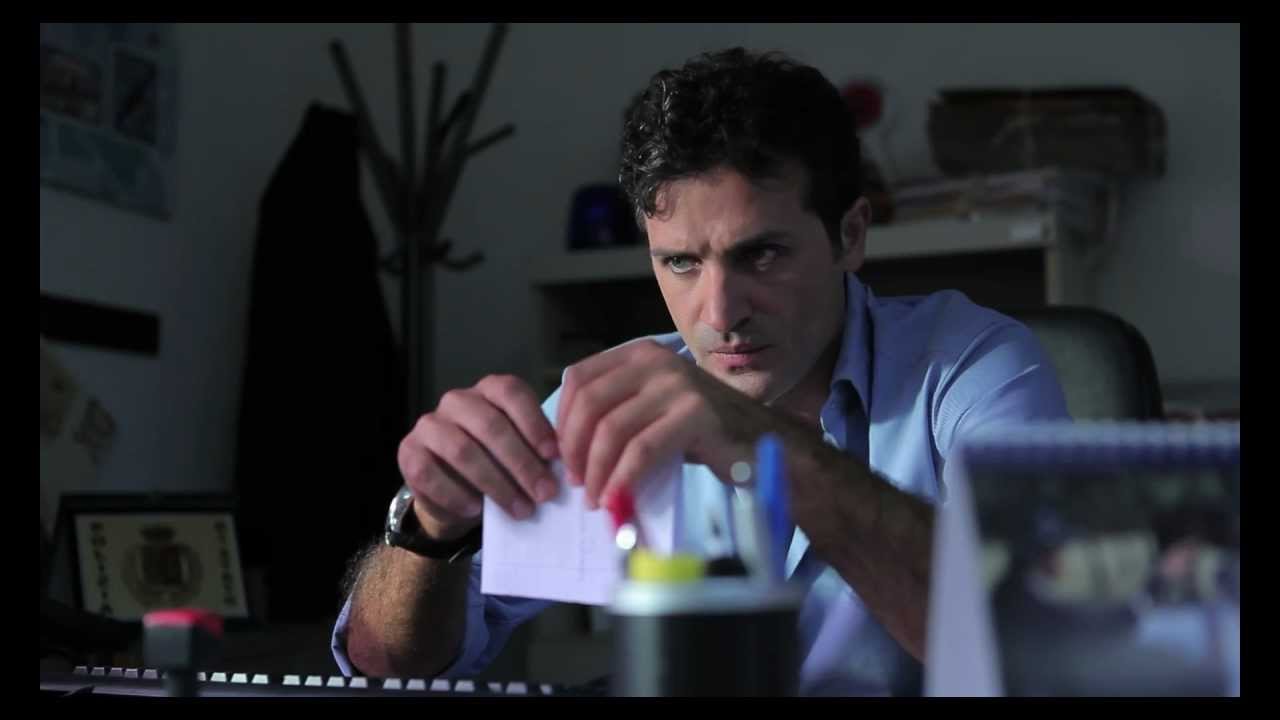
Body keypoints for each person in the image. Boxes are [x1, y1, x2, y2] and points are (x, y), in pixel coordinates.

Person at [330, 46, 1070, 695]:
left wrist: (753, 440)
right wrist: (430, 530)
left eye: (762, 254)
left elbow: (1037, 644)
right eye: (681, 262)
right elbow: (381, 669)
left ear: (849, 235)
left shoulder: (972, 366)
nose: (719, 314)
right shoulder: (614, 399)